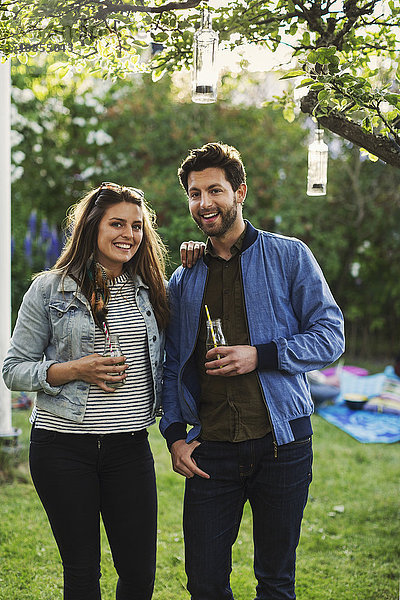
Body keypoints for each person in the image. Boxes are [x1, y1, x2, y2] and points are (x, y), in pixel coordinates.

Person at [160, 142, 345, 600]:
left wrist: (259, 355)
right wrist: (174, 435)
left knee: (277, 582)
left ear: (240, 192)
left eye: (215, 191)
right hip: (211, 453)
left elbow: (330, 335)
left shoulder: (289, 256)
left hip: (282, 446)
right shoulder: (183, 278)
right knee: (204, 584)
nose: (205, 203)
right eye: (195, 193)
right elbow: (170, 364)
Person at [2, 182, 169, 600]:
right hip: (62, 448)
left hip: (129, 447)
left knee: (139, 574)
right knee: (82, 573)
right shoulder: (48, 289)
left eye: (136, 226)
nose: (128, 234)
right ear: (92, 227)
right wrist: (74, 370)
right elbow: (13, 370)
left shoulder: (150, 290)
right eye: (117, 223)